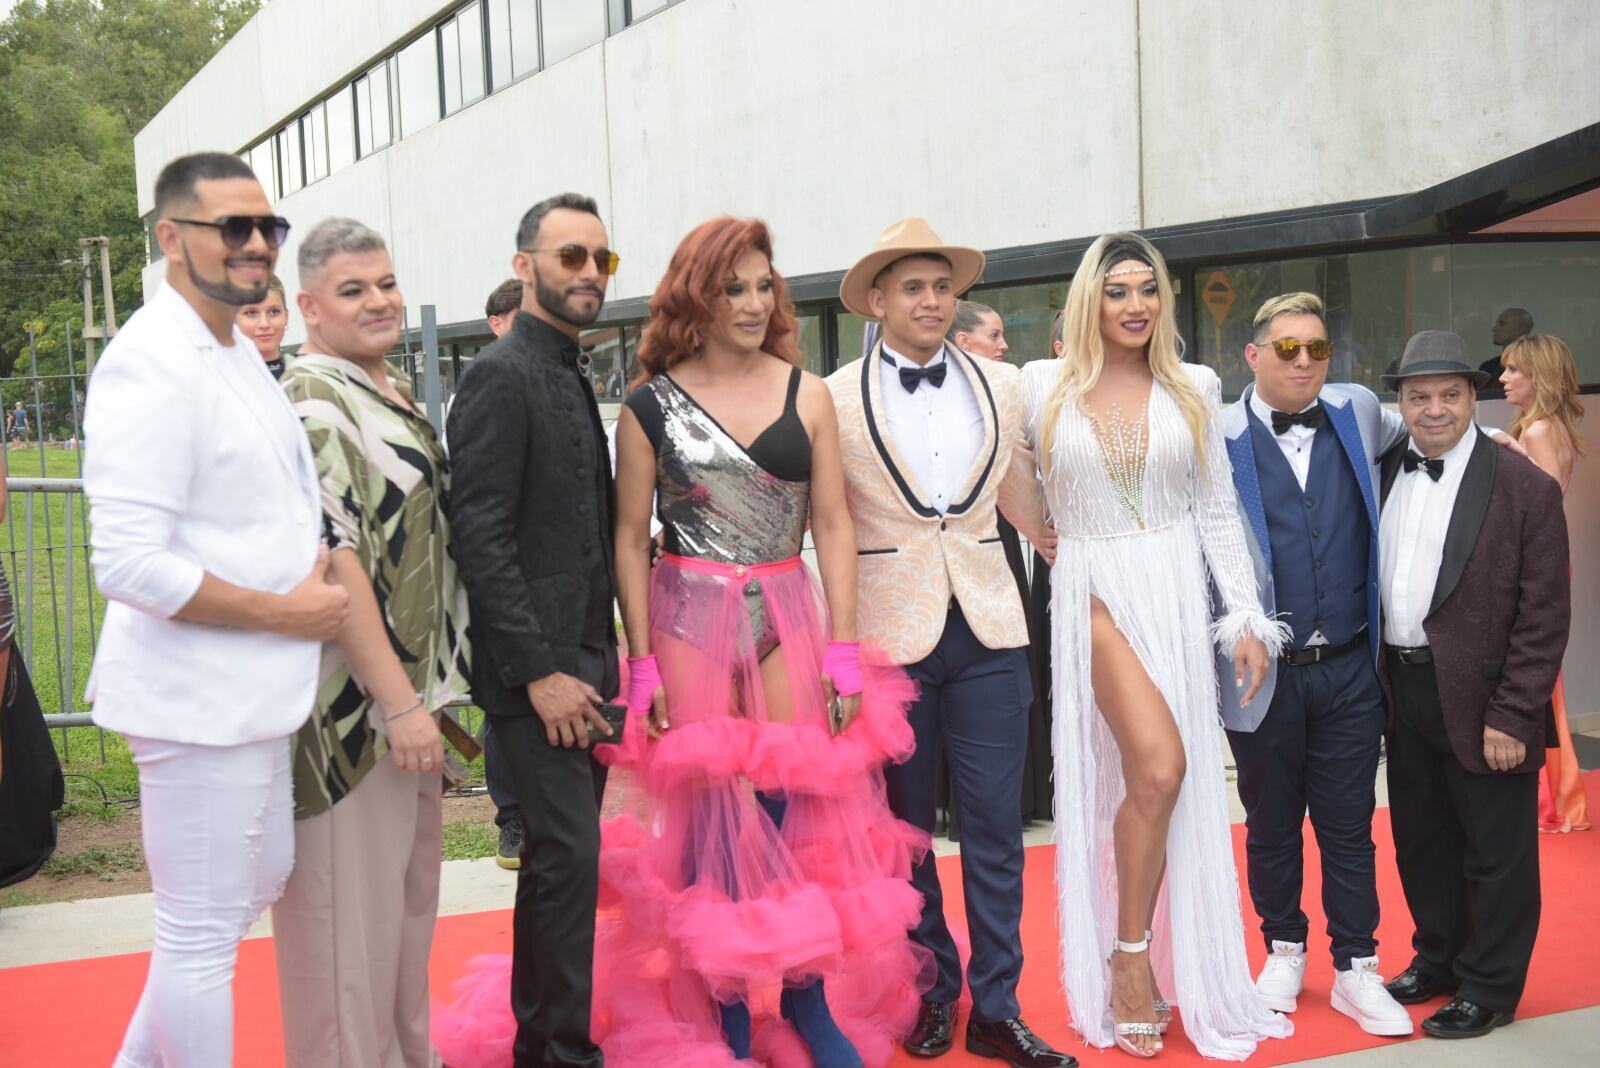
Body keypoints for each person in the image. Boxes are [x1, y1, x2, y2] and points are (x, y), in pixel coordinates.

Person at [609, 216, 929, 1065]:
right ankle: (727, 1008)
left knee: (800, 813)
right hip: (687, 611)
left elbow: (833, 520)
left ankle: (804, 996)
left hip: (790, 608)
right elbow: (626, 539)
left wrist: (846, 649)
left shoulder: (807, 391)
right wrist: (641, 665)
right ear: (694, 296)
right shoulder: (648, 406)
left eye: (763, 285)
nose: (753, 303)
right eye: (732, 287)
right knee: (714, 812)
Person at [84, 152, 347, 1067]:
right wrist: (287, 612)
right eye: (231, 227)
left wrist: (301, 571)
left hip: (251, 693)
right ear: (170, 237)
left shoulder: (234, 346)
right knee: (198, 935)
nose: (255, 246)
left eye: (266, 228)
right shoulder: (151, 362)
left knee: (250, 888)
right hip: (195, 698)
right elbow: (126, 563)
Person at [1021, 232, 1291, 1060]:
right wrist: (1037, 531)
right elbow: (996, 465)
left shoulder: (1195, 387)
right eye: (1117, 291)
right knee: (1163, 765)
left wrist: (1244, 614)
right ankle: (1130, 960)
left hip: (1175, 590)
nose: (1135, 305)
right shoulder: (1042, 387)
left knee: (1158, 783)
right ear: (1088, 303)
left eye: (1148, 289)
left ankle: (1137, 946)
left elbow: (1215, 508)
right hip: (1095, 590)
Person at [828, 218, 1070, 1068]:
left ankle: (998, 1006)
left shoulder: (1005, 386)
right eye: (913, 288)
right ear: (879, 300)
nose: (931, 301)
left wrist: (1081, 550)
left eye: (942, 287)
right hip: (888, 640)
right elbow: (825, 523)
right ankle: (936, 991)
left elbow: (1027, 497)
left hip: (993, 630)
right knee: (903, 835)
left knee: (998, 830)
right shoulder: (830, 394)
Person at [271, 218, 472, 1066]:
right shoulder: (313, 398)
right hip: (349, 721)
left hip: (404, 710)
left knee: (397, 935)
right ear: (309, 306)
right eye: (354, 290)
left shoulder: (383, 388)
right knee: (344, 953)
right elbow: (338, 560)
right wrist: (397, 703)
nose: (380, 300)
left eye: (386, 282)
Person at [442, 192, 620, 1068]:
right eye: (570, 257)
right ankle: (557, 1052)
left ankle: (546, 1045)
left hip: (587, 664)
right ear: (526, 268)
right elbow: (479, 533)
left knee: (561, 871)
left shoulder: (570, 369)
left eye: (600, 259)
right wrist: (540, 673)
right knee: (568, 863)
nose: (588, 272)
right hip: (540, 675)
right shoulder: (498, 375)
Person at [1215, 292, 1412, 1038]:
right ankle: (1284, 947)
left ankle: (1359, 967)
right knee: (1269, 821)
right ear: (1254, 354)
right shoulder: (1218, 433)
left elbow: (1423, 435)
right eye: (1288, 348)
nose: (1305, 362)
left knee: (1350, 823)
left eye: (1318, 349)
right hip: (1263, 674)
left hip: (1352, 664)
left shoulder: (1359, 409)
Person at [1376, 331, 1570, 1039]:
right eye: (1418, 396)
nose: (1434, 410)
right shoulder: (1382, 466)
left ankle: (1490, 986)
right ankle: (1440, 960)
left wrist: (1515, 713)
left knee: (1496, 851)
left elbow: (1545, 613)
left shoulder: (1524, 484)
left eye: (1449, 395)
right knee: (1422, 840)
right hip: (1403, 689)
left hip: (1488, 700)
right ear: (1399, 402)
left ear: (1471, 397)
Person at [946, 300, 1050, 824]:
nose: (1004, 345)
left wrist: (1044, 533)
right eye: (995, 334)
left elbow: (1021, 460)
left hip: (999, 533)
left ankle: (1005, 803)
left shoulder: (1006, 387)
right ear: (964, 342)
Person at [1499, 333, 1588, 833]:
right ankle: (1560, 799)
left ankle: (1553, 805)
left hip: (1536, 569)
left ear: (1539, 377)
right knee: (1543, 684)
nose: (1504, 378)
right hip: (1544, 566)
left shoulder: (1535, 432)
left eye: (1514, 371)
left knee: (1537, 682)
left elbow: (1542, 510)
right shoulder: (1548, 427)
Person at [478, 275, 529, 871]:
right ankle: (510, 818)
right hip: (504, 576)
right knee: (504, 705)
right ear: (495, 322)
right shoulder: (484, 385)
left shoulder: (563, 375)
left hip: (563, 582)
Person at [236, 274, 292, 379]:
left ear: (286, 316)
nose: (264, 324)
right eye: (251, 313)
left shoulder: (309, 373)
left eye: (274, 312)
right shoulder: (221, 380)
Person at [1475, 307, 1534, 385]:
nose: (1494, 328)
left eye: (1502, 324)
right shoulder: (1488, 368)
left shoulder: (1536, 365)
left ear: (1521, 329)